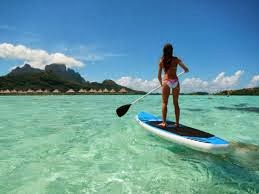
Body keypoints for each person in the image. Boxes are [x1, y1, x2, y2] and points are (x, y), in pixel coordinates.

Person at [158, 43, 189, 128]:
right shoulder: (176, 59)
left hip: (166, 81)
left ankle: (164, 122)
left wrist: (161, 84)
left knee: (164, 102)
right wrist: (185, 70)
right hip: (175, 81)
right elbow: (186, 69)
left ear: (164, 51)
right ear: (172, 51)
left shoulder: (162, 60)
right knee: (176, 103)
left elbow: (158, 76)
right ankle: (177, 123)